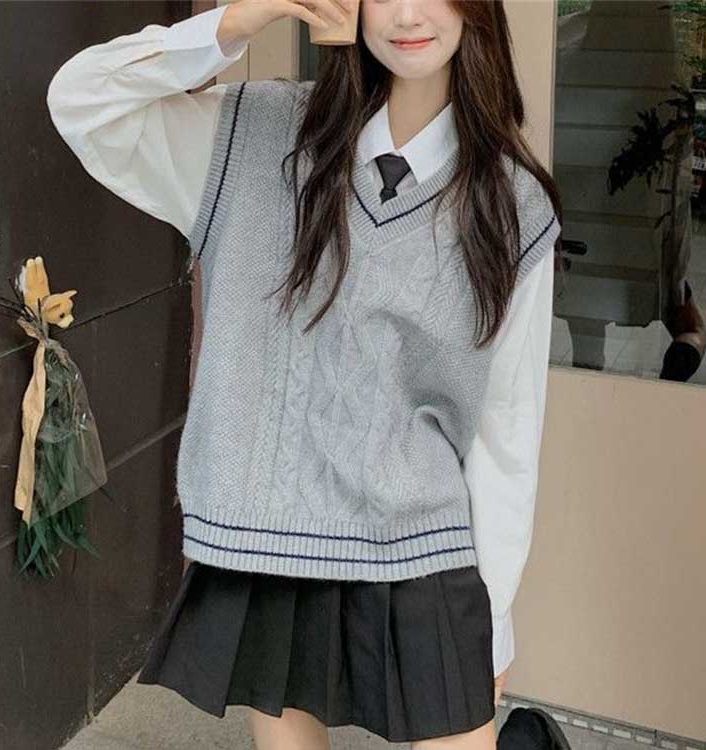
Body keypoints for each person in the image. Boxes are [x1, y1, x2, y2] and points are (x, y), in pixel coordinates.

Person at [46, 1, 562, 747]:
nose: (408, 13)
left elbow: (506, 433)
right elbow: (82, 99)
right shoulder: (253, 136)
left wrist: (497, 614)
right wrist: (237, 20)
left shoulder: (514, 204)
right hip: (275, 538)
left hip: (423, 543)